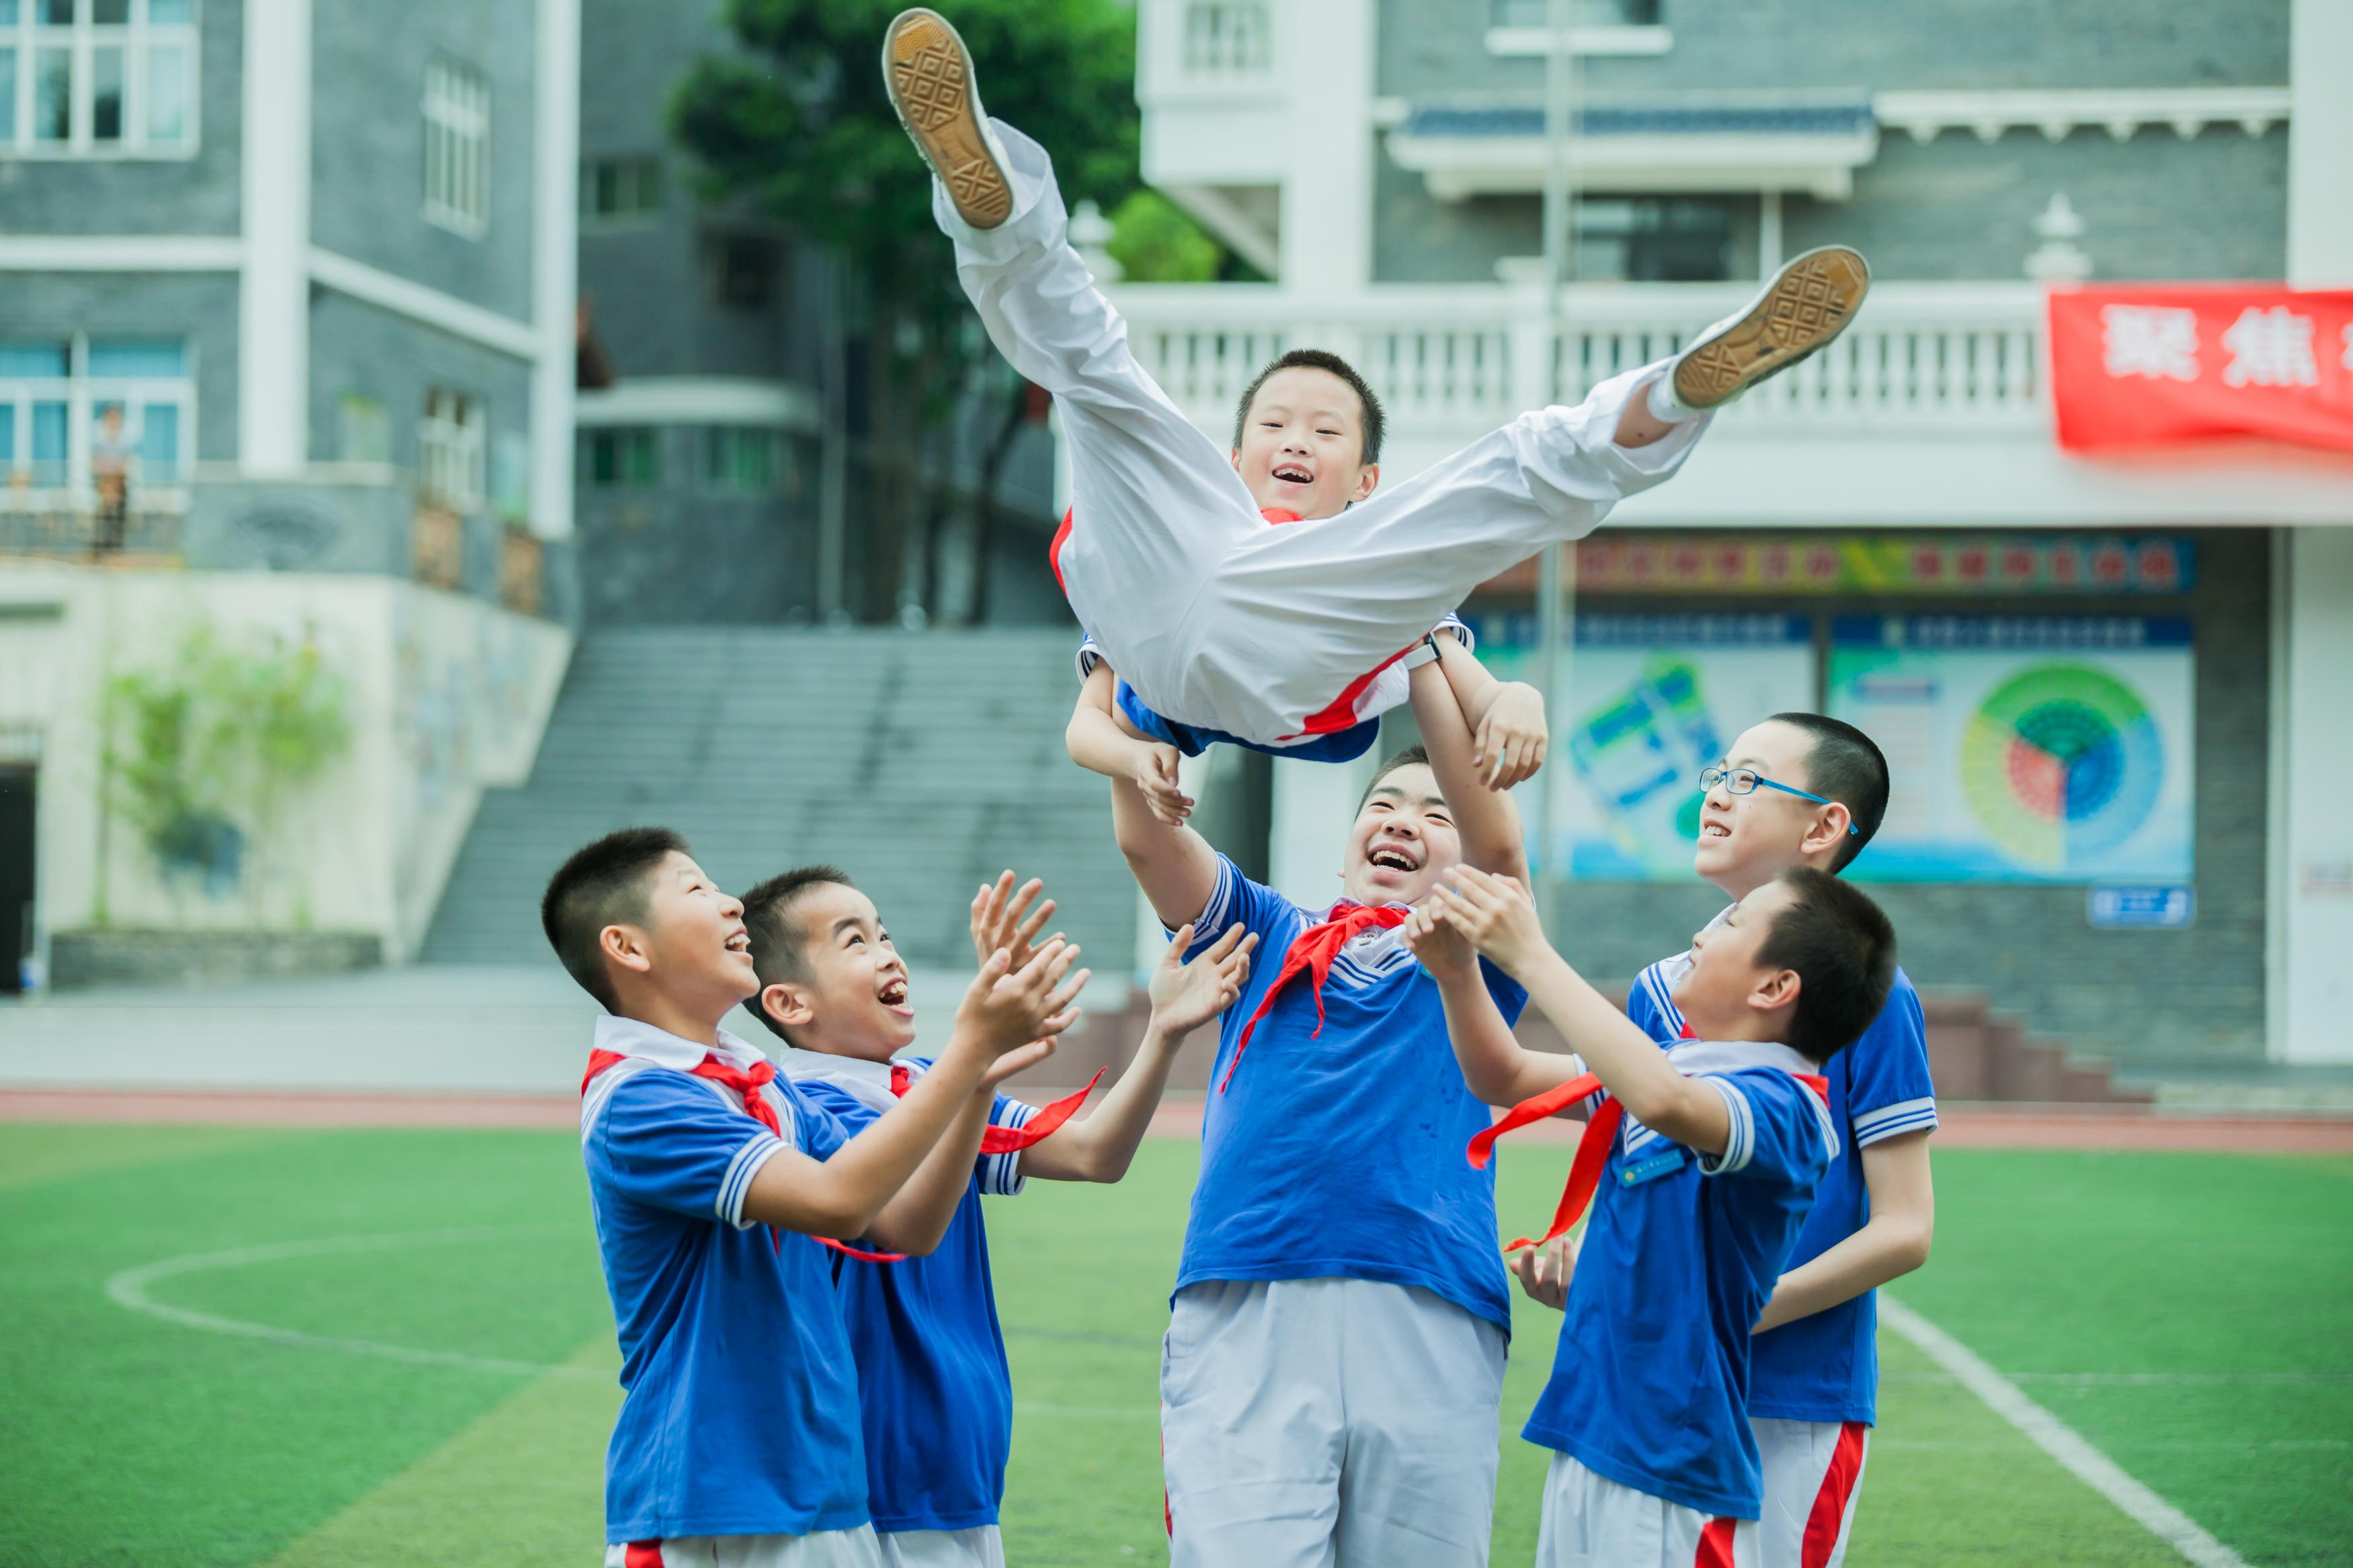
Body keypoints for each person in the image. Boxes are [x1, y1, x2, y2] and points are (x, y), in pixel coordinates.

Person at [881, 7, 1868, 786]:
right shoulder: (1193, 501)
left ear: (1364, 479)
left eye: (1323, 429)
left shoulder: (1366, 572)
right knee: (1097, 374)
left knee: (1502, 476)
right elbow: (1083, 726)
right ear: (1235, 459)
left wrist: (1511, 696)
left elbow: (1477, 681)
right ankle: (999, 211)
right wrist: (1137, 756)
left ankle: (1672, 393)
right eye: (1272, 423)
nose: (1293, 438)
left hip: (1283, 657)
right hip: (1154, 592)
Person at [1060, 622, 1537, 1561]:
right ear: (1346, 840)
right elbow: (1147, 843)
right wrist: (1130, 647)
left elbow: (1499, 841)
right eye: (1384, 804)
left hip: (1432, 1302)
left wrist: (1419, 635)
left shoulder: (1477, 951)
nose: (1401, 820)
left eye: (1435, 815)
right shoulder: (1267, 926)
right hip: (1246, 1297)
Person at [543, 827, 1083, 1568]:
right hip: (716, 1498)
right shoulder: (642, 1097)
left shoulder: (760, 1084)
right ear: (628, 948)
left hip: (826, 1482)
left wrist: (978, 1069)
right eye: (696, 889)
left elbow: (903, 1226)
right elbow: (836, 1201)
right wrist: (967, 1050)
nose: (730, 902)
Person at [735, 864, 1256, 1568]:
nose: (889, 952)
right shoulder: (785, 1107)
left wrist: (1162, 1031)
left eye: (884, 932)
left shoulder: (926, 1083)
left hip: (959, 1461)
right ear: (790, 1003)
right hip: (858, 1471)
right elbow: (903, 1221)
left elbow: (1094, 1153)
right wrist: (976, 1064)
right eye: (853, 941)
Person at [1524, 715, 1936, 1568]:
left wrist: (1731, 1308)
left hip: (1791, 1394)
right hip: (1649, 1389)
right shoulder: (1659, 989)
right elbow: (1637, 1175)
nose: (1714, 792)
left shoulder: (1870, 995)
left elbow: (1904, 1228)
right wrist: (1581, 1253)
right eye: (1717, 770)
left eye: (1747, 780)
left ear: (1823, 826)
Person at [1407, 862, 1897, 1568]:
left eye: (1730, 922)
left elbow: (1662, 1100)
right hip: (1594, 1431)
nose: (1698, 933)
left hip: (1668, 1462)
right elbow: (1503, 1077)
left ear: (1772, 987)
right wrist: (1456, 974)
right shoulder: (1672, 1063)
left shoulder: (1787, 1105)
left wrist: (1531, 954)